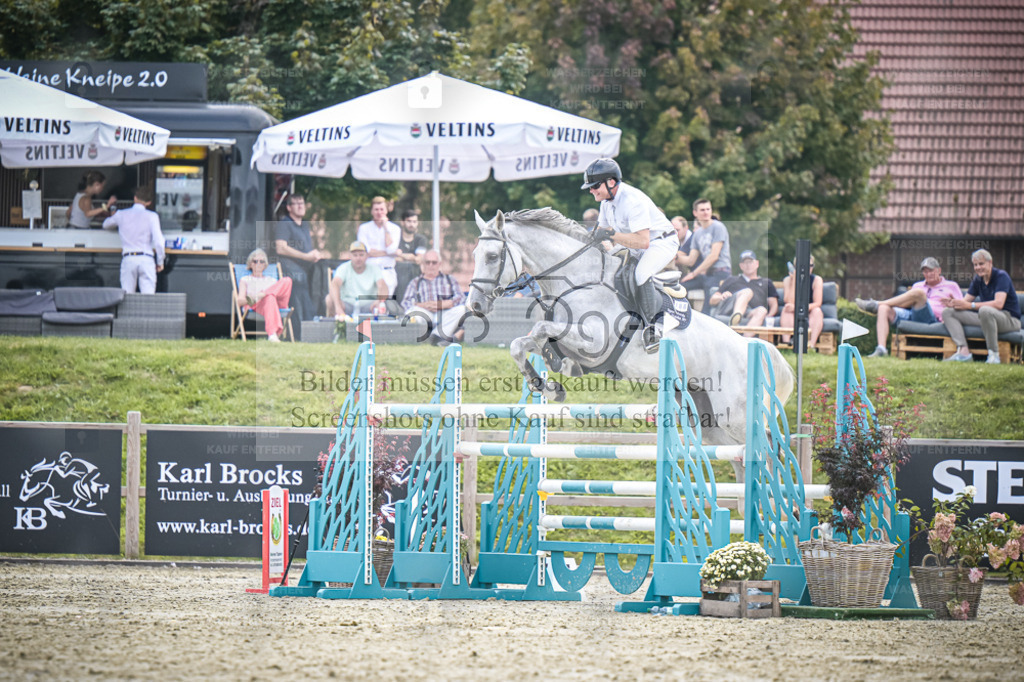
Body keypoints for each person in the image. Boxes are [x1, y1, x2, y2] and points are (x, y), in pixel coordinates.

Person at [581, 158, 679, 352]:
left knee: (640, 274)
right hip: (638, 244)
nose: (591, 190)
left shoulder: (633, 201)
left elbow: (643, 241)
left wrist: (610, 235)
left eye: (595, 186)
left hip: (662, 242)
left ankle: (654, 328)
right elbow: (601, 232)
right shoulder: (606, 202)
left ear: (611, 182)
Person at [855, 257, 963, 357]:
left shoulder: (951, 286)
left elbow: (961, 305)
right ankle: (881, 349)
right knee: (884, 309)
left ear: (939, 270)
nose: (928, 274)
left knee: (919, 294)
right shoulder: (918, 285)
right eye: (925, 271)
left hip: (933, 319)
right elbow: (906, 304)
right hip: (913, 314)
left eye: (931, 270)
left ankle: (877, 304)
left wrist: (949, 314)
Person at [940, 249, 1021, 364]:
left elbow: (999, 304)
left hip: (1009, 320)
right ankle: (963, 352)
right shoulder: (978, 279)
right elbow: (965, 302)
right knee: (948, 312)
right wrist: (954, 303)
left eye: (981, 264)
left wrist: (970, 305)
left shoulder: (1001, 276)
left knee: (985, 311)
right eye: (975, 265)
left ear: (990, 262)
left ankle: (994, 356)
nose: (978, 267)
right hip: (987, 318)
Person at [101, 186, 165, 294]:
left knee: (127, 297)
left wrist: (112, 211)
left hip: (129, 258)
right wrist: (160, 261)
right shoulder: (152, 216)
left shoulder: (121, 214)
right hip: (146, 259)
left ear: (135, 198)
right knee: (148, 298)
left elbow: (105, 225)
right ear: (149, 202)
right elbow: (159, 241)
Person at [274, 193, 324, 330]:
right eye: (297, 203)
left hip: (307, 269)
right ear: (289, 207)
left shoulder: (304, 224)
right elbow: (280, 248)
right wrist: (305, 256)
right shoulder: (285, 223)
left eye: (302, 203)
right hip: (290, 270)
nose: (301, 206)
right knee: (299, 292)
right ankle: (298, 331)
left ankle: (314, 327)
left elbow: (306, 248)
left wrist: (314, 254)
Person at [401, 249, 468, 345]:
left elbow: (461, 298)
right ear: (423, 264)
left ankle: (435, 337)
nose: (431, 265)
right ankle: (438, 338)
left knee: (461, 309)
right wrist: (423, 305)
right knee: (411, 312)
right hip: (425, 314)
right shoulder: (415, 282)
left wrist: (445, 304)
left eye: (434, 262)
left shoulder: (449, 279)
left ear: (439, 264)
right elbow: (405, 303)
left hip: (445, 313)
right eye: (427, 262)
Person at [707, 250, 779, 333]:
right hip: (729, 308)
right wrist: (721, 296)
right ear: (741, 266)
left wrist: (769, 316)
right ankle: (736, 317)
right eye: (745, 262)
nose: (748, 265)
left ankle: (745, 342)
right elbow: (712, 300)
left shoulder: (766, 282)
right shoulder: (731, 279)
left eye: (750, 262)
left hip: (750, 312)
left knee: (762, 310)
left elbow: (774, 305)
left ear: (757, 263)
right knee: (747, 292)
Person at [678, 198, 732, 305]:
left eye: (708, 209)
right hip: (706, 275)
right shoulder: (697, 234)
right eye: (702, 210)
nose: (706, 212)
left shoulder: (718, 227)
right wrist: (674, 256)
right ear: (695, 213)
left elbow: (714, 256)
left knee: (707, 309)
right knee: (680, 287)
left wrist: (693, 273)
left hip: (720, 273)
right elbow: (690, 260)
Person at [236, 248, 293, 342]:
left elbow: (283, 291)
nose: (258, 264)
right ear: (250, 264)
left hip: (277, 304)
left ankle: (264, 293)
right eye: (255, 261)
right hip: (255, 304)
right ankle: (272, 334)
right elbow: (239, 301)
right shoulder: (245, 279)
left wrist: (263, 294)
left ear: (265, 265)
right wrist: (255, 298)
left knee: (287, 280)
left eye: (261, 261)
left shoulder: (272, 280)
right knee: (270, 298)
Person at [325, 241, 389, 319]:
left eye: (361, 255)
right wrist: (338, 307)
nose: (358, 258)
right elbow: (335, 284)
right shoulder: (343, 268)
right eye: (355, 255)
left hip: (369, 305)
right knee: (329, 299)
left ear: (367, 256)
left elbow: (382, 286)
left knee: (382, 305)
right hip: (347, 304)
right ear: (350, 256)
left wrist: (379, 301)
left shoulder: (375, 269)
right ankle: (335, 326)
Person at [356, 196, 402, 297]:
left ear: (386, 210)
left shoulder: (395, 229)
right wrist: (390, 253)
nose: (379, 212)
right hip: (369, 272)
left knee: (384, 306)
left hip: (387, 272)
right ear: (372, 211)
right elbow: (366, 252)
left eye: (382, 209)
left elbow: (390, 248)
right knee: (367, 304)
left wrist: (386, 228)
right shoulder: (364, 228)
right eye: (376, 209)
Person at [780, 254, 823, 351]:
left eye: (810, 266)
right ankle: (787, 345)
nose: (808, 268)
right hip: (792, 311)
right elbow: (789, 300)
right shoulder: (787, 280)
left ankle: (811, 346)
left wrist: (798, 308)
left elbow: (817, 303)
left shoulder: (817, 280)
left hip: (810, 310)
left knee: (817, 311)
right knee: (786, 309)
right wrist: (795, 279)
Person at [395, 209, 428, 304]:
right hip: (396, 274)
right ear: (402, 222)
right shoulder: (396, 238)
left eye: (414, 222)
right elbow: (391, 258)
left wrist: (400, 255)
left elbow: (418, 259)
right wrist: (411, 257)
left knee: (409, 267)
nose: (412, 224)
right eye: (409, 221)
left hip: (414, 275)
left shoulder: (421, 239)